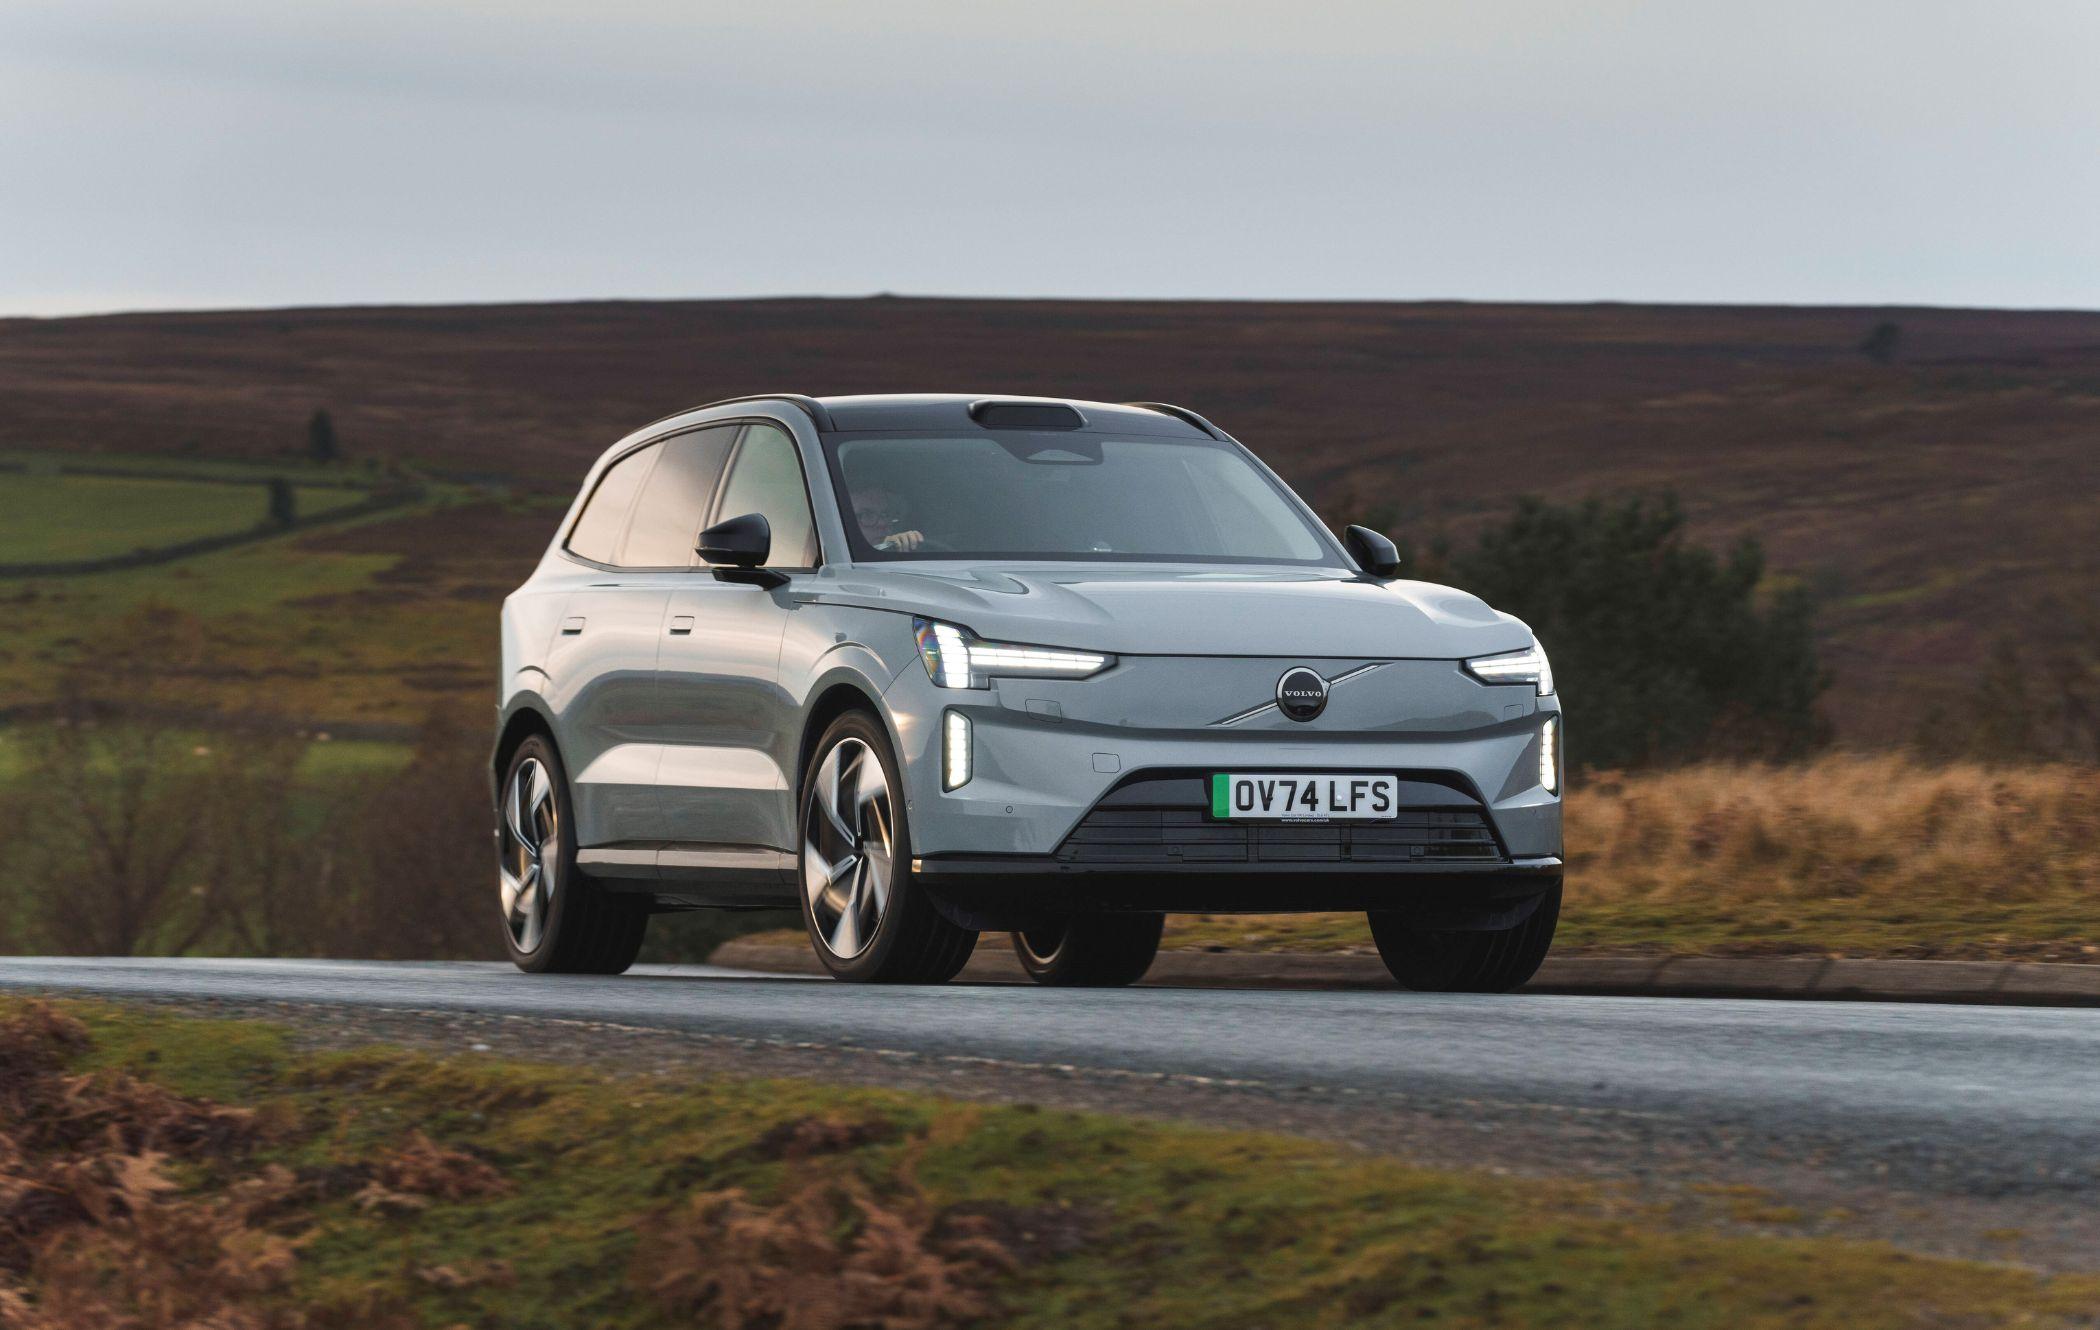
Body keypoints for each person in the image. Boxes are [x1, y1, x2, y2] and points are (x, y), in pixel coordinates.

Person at [852, 484, 927, 552]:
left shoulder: (903, 548)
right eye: (867, 515)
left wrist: (899, 546)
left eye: (886, 514)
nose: (883, 523)